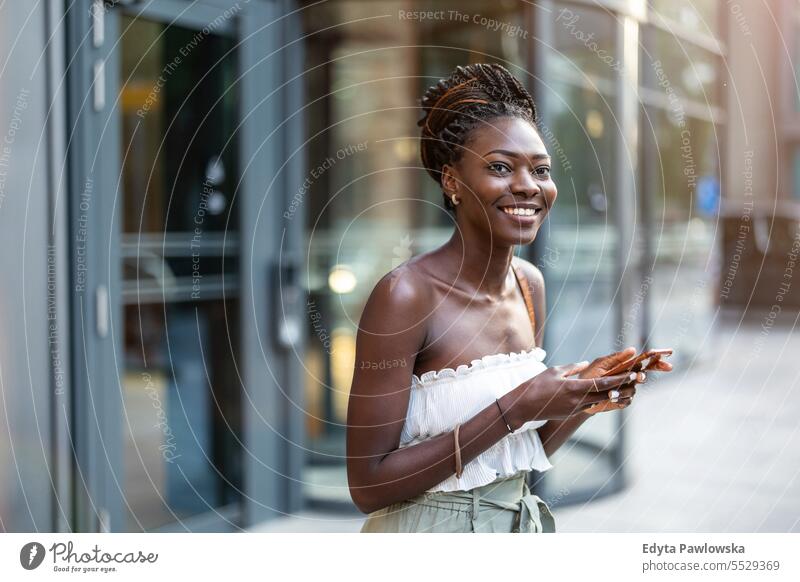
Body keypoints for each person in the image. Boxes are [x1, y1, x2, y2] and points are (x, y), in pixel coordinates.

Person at [345, 63, 673, 533]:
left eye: (540, 169)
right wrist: (516, 405)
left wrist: (585, 395)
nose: (527, 185)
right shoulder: (405, 295)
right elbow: (368, 485)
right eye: (500, 167)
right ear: (451, 181)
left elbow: (517, 447)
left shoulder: (528, 284)